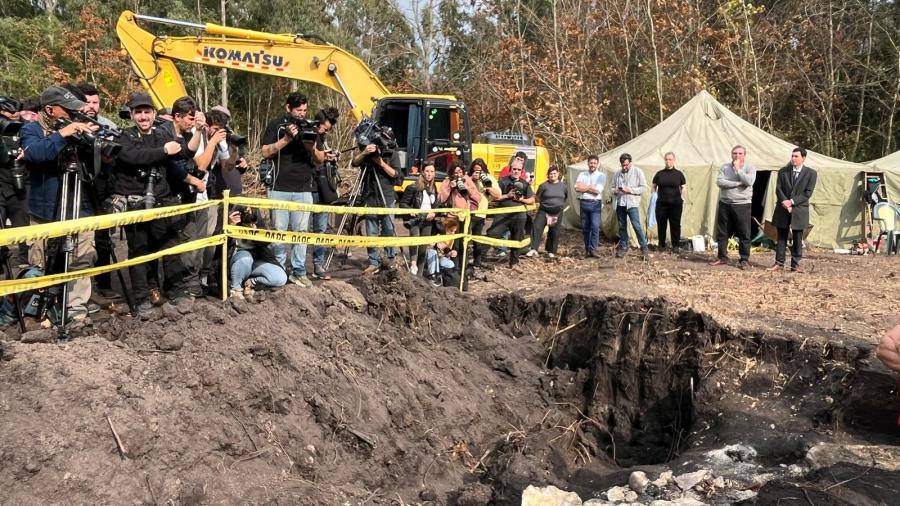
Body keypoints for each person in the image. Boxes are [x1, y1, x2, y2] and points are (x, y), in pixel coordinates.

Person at [112, 92, 205, 317]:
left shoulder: (161, 134)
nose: (143, 117)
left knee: (171, 248)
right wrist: (163, 151)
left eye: (147, 112)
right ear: (132, 115)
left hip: (164, 201)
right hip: (136, 203)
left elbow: (183, 154)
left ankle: (176, 292)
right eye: (138, 112)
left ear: (154, 114)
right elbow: (132, 157)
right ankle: (142, 299)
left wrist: (199, 131)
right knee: (140, 252)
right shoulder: (124, 136)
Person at [20, 85, 100, 320]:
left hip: (79, 206)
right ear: (50, 110)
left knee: (81, 257)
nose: (72, 114)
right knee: (40, 261)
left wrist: (92, 142)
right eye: (67, 110)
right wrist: (62, 135)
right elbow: (34, 153)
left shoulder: (79, 128)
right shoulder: (32, 129)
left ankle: (75, 307)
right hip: (45, 209)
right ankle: (41, 306)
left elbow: (98, 166)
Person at [260, 92, 326, 286]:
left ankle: (298, 271)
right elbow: (265, 152)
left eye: (305, 110)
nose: (302, 114)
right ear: (288, 108)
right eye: (298, 110)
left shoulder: (311, 126)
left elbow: (321, 158)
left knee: (301, 232)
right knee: (279, 231)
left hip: (304, 188)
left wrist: (312, 147)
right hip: (279, 186)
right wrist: (286, 139)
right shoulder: (276, 125)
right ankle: (279, 271)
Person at [352, 129, 402, 275]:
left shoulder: (392, 153)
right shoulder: (368, 152)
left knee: (388, 229)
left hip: (387, 197)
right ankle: (373, 262)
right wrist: (365, 153)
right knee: (371, 232)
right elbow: (355, 162)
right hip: (370, 196)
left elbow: (397, 176)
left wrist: (380, 163)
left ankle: (389, 258)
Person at [767, 148, 818, 272]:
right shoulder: (783, 171)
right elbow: (778, 189)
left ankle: (795, 264)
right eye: (792, 156)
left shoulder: (811, 173)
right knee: (781, 237)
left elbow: (807, 193)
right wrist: (784, 201)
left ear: (803, 158)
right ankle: (779, 263)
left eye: (796, 156)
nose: (793, 158)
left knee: (797, 238)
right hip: (782, 208)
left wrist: (792, 202)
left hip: (799, 209)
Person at [227, 206, 286, 300]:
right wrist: (230, 226)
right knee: (246, 258)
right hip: (237, 260)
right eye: (245, 212)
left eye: (250, 211)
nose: (248, 215)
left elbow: (266, 242)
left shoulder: (255, 218)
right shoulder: (228, 214)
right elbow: (219, 246)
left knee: (280, 278)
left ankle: (249, 283)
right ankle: (236, 290)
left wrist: (255, 232)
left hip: (256, 260)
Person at [711, 145, 756, 269]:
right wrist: (737, 183)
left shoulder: (750, 167)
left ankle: (744, 259)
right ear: (731, 154)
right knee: (722, 232)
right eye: (735, 153)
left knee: (744, 232)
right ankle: (722, 257)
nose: (737, 155)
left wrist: (739, 171)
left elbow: (749, 181)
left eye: (740, 153)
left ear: (744, 155)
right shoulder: (725, 167)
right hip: (725, 203)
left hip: (742, 204)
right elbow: (720, 182)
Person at [309, 107, 339, 280]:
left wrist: (330, 157)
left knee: (320, 228)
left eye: (328, 130)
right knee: (303, 228)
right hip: (309, 187)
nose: (325, 132)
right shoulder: (309, 137)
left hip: (322, 188)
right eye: (324, 128)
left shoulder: (323, 139)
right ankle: (297, 268)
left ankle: (318, 265)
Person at [0, 96, 30, 267]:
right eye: (8, 111)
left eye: (16, 111)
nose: (13, 115)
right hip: (1, 184)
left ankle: (24, 260)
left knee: (23, 226)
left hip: (21, 185)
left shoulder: (27, 128)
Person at [487, 162, 535, 267]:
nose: (516, 171)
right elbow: (495, 197)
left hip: (519, 215)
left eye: (518, 169)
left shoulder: (525, 184)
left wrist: (522, 199)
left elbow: (532, 199)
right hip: (503, 213)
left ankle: (514, 263)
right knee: (492, 233)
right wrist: (507, 195)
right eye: (514, 169)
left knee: (517, 239)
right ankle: (481, 257)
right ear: (510, 169)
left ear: (521, 171)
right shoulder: (503, 181)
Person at [399, 161, 438, 275]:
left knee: (423, 247)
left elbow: (435, 204)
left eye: (432, 171)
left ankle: (419, 275)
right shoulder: (413, 187)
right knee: (414, 241)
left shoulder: (434, 187)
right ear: (422, 172)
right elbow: (403, 203)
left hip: (428, 220)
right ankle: (413, 266)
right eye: (427, 171)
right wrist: (412, 211)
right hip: (416, 220)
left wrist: (434, 213)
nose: (429, 174)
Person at [611, 153, 649, 260]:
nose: (624, 167)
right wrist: (616, 190)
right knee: (622, 226)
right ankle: (624, 246)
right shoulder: (617, 173)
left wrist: (630, 190)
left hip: (632, 204)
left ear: (630, 163)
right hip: (620, 203)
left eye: (626, 165)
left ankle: (644, 248)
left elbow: (644, 188)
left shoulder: (637, 172)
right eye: (623, 165)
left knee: (636, 226)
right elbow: (611, 188)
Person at [528, 165, 567, 258]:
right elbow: (537, 198)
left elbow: (565, 197)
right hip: (544, 211)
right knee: (537, 228)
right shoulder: (543, 186)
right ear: (548, 175)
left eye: (554, 173)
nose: (552, 175)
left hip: (557, 212)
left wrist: (557, 205)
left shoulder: (563, 186)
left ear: (558, 174)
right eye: (550, 174)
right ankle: (533, 249)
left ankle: (551, 251)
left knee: (554, 232)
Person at [468, 158, 501, 267]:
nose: (477, 173)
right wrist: (471, 179)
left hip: (481, 213)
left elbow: (498, 195)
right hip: (468, 212)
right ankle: (462, 261)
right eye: (475, 170)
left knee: (478, 239)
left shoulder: (489, 178)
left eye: (479, 171)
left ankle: (477, 263)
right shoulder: (468, 178)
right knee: (465, 238)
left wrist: (487, 185)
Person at [651, 152, 686, 252]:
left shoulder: (679, 174)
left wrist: (682, 198)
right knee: (661, 225)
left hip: (676, 205)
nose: (668, 161)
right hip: (661, 204)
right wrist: (654, 196)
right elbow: (653, 186)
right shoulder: (659, 174)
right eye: (666, 159)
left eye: (670, 159)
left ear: (674, 160)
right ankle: (661, 245)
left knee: (675, 225)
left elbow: (683, 187)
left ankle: (675, 246)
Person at [575, 154, 605, 257]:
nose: (592, 165)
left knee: (595, 227)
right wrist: (589, 188)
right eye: (591, 163)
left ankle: (593, 249)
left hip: (595, 204)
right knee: (585, 228)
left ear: (597, 164)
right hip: (584, 203)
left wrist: (584, 187)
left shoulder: (601, 175)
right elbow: (577, 189)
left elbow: (597, 191)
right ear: (588, 163)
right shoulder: (582, 174)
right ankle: (587, 250)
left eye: (594, 163)